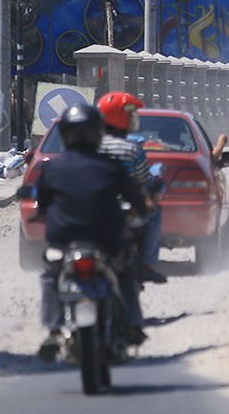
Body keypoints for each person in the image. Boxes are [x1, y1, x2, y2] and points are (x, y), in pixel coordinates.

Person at [33, 103, 148, 362]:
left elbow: (42, 204)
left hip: (63, 244)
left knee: (50, 276)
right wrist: (139, 212)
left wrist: (42, 215)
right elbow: (136, 198)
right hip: (108, 242)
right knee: (128, 270)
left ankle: (53, 330)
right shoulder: (111, 165)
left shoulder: (51, 168)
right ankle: (130, 323)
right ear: (98, 133)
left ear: (64, 134)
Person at [96, 91, 167, 285]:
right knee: (155, 213)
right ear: (122, 118)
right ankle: (146, 265)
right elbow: (144, 180)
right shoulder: (132, 149)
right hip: (124, 209)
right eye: (130, 115)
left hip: (93, 207)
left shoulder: (92, 146)